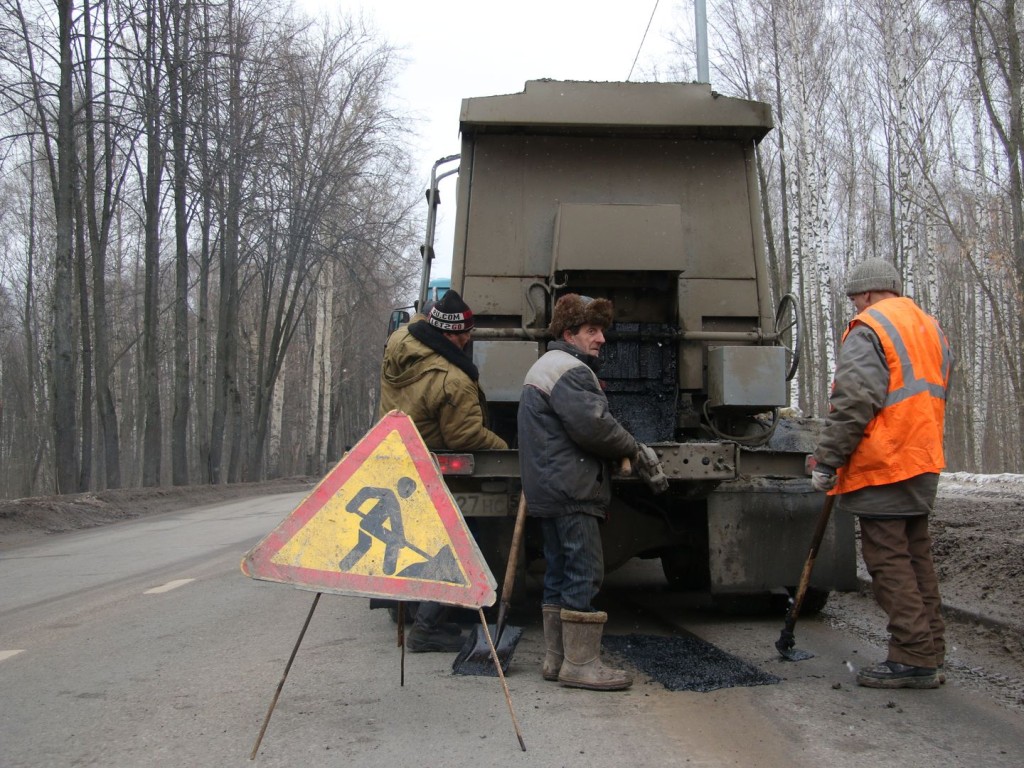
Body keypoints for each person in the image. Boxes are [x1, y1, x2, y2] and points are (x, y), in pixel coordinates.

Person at [811, 259, 952, 690]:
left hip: (884, 461)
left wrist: (829, 459)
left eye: (855, 297)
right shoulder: (930, 327)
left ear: (869, 293)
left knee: (889, 560)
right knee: (915, 557)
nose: (854, 305)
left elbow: (854, 400)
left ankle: (912, 656)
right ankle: (930, 648)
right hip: (922, 457)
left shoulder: (870, 326)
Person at [518, 293, 666, 691]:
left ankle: (556, 659)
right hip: (572, 489)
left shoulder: (547, 366)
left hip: (550, 488)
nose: (601, 339)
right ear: (569, 333)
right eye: (592, 330)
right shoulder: (570, 371)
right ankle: (580, 664)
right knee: (584, 571)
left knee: (559, 571)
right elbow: (594, 426)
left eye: (601, 330)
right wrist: (633, 447)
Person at [378, 289, 508, 652]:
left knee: (414, 541)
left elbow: (421, 319)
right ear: (450, 334)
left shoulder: (399, 341)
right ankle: (426, 628)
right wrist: (508, 450)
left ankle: (418, 613)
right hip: (435, 468)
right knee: (457, 543)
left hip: (399, 456)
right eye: (464, 333)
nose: (469, 339)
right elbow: (464, 435)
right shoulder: (453, 379)